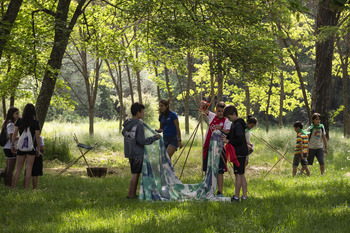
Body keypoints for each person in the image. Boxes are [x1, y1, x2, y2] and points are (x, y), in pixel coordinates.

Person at [122, 102, 159, 199]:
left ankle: (131, 194)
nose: (143, 114)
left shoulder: (127, 122)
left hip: (129, 152)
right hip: (137, 153)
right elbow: (141, 141)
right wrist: (154, 138)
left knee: (134, 173)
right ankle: (131, 195)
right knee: (136, 174)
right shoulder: (139, 124)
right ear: (138, 112)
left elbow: (124, 133)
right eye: (142, 112)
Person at [200, 100, 231, 196]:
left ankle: (220, 191)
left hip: (220, 149)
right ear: (215, 110)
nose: (220, 113)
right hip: (208, 146)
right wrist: (205, 104)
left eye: (222, 111)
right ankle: (207, 189)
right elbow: (203, 111)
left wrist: (221, 129)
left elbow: (229, 132)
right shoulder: (212, 116)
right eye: (218, 111)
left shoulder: (226, 120)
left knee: (219, 170)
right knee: (207, 169)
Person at [222, 105, 248, 202]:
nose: (229, 120)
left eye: (229, 117)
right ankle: (244, 196)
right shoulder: (236, 124)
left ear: (234, 114)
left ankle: (236, 197)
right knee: (241, 175)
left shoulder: (237, 124)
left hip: (239, 153)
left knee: (238, 175)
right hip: (239, 152)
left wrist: (228, 141)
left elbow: (240, 139)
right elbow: (232, 135)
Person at [11, 103, 41, 189]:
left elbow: (14, 134)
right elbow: (37, 136)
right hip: (31, 148)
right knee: (29, 168)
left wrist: (12, 145)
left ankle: (13, 187)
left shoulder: (20, 120)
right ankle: (26, 188)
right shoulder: (35, 121)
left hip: (21, 148)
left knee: (18, 169)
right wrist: (38, 149)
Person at [2, 107, 20, 186]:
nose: (18, 115)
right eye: (16, 113)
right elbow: (10, 136)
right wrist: (21, 137)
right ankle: (9, 186)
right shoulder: (11, 124)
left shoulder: (7, 123)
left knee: (8, 168)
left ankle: (6, 184)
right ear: (11, 114)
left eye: (18, 113)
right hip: (10, 148)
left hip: (7, 147)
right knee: (10, 169)